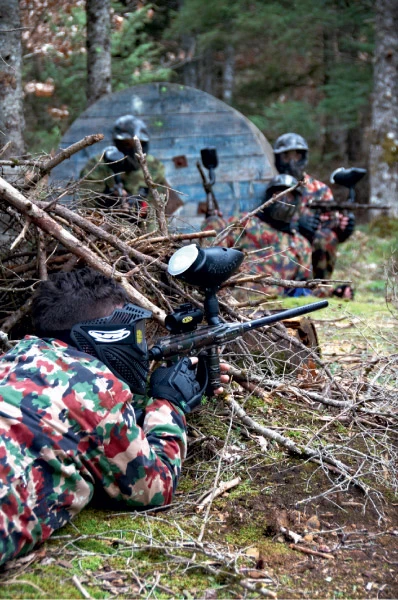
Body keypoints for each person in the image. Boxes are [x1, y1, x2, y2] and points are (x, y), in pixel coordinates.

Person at [0, 267, 229, 566]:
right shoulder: (96, 387)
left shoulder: (14, 359)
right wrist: (170, 402)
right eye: (133, 333)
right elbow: (154, 487)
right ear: (105, 334)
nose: (140, 345)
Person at [202, 174, 313, 298]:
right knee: (213, 221)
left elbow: (304, 286)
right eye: (279, 194)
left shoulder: (301, 243)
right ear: (269, 197)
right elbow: (219, 242)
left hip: (275, 303)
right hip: (235, 296)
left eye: (289, 196)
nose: (284, 200)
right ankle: (208, 289)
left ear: (296, 202)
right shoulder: (247, 222)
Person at [273, 133, 355, 296]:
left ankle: (321, 288)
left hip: (309, 250)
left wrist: (344, 229)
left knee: (326, 237)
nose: (291, 162)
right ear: (278, 158)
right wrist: (296, 224)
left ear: (303, 157)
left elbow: (332, 227)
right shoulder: (272, 185)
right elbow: (261, 223)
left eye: (296, 155)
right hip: (279, 245)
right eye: (286, 156)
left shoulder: (319, 189)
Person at [80, 114, 182, 219]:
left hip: (143, 229)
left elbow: (162, 208)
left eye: (139, 144)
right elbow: (85, 202)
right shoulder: (100, 164)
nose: (133, 149)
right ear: (117, 144)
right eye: (127, 144)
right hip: (106, 225)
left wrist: (140, 206)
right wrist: (107, 198)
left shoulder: (153, 166)